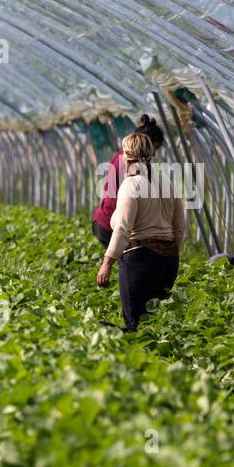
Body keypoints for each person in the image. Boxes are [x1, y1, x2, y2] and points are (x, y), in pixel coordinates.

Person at [96, 131, 185, 331]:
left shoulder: (131, 184)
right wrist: (171, 252)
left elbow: (122, 228)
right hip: (169, 261)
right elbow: (180, 227)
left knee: (135, 325)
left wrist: (107, 262)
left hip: (140, 259)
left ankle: (135, 358)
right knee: (155, 324)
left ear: (127, 156)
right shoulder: (168, 183)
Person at [91, 114, 165, 248]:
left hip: (103, 220)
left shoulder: (122, 155)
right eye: (155, 147)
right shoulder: (133, 163)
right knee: (137, 264)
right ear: (146, 143)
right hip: (113, 225)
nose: (154, 154)